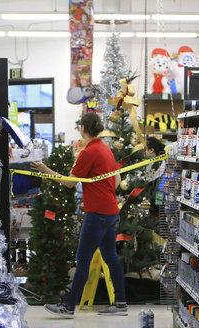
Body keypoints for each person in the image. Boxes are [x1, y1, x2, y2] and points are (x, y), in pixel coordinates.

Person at [32, 112, 128, 317]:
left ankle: (68, 306)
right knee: (111, 257)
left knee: (83, 258)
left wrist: (45, 170)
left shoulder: (89, 152)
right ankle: (120, 303)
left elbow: (69, 182)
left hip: (98, 213)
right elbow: (118, 180)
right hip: (110, 211)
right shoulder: (106, 150)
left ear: (83, 129)